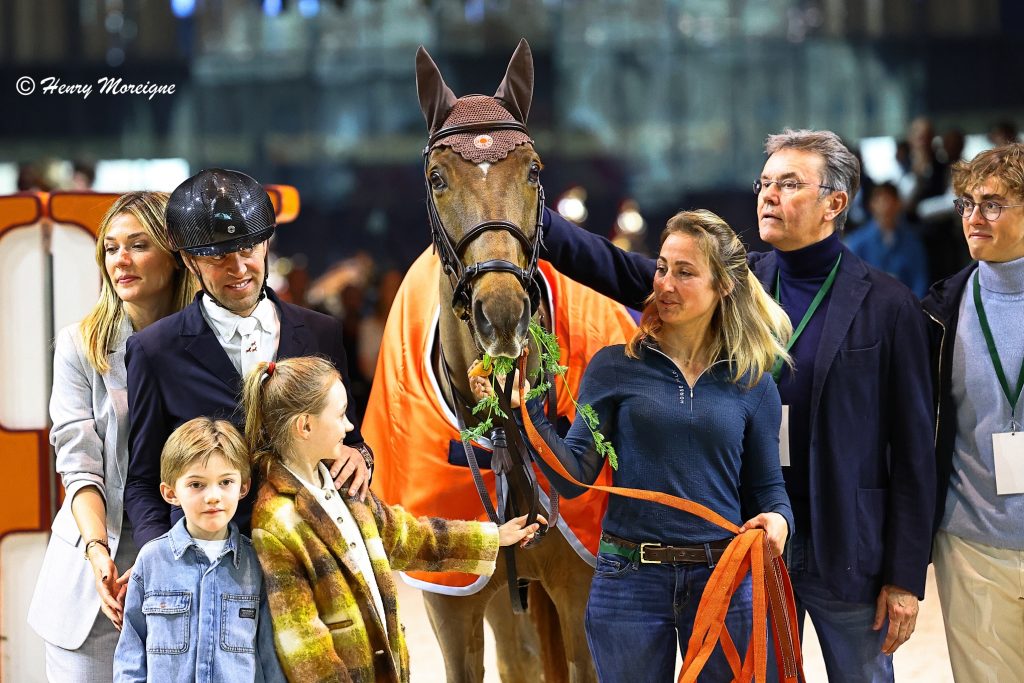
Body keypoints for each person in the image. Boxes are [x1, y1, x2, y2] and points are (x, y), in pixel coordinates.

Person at [536, 129, 935, 682]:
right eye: (764, 182)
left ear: (835, 203)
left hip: (844, 541)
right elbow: (621, 269)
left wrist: (906, 576)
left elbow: (916, 452)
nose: (769, 195)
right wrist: (535, 220)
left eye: (789, 183)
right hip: (741, 540)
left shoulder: (889, 305)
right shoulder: (737, 283)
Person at [473, 210, 795, 681]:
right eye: (662, 268)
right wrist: (530, 414)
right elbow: (575, 477)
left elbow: (769, 486)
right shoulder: (612, 367)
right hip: (628, 583)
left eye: (685, 273)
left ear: (723, 286)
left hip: (723, 582)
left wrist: (780, 520)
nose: (665, 283)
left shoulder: (756, 382)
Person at [241, 356, 540, 681]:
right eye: (340, 415)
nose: (349, 426)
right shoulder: (276, 521)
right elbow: (304, 647)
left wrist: (495, 537)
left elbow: (407, 537)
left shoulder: (343, 484)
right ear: (305, 426)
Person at [124, 168, 373, 549]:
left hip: (310, 557)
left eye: (248, 250)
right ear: (189, 260)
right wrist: (159, 564)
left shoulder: (322, 332)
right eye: (219, 257)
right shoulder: (154, 350)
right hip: (206, 562)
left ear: (266, 245)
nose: (238, 269)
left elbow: (349, 437)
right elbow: (142, 480)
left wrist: (361, 456)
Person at [27, 192, 197, 681]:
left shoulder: (207, 344)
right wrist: (97, 551)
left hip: (186, 582)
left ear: (175, 253)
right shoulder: (81, 347)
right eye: (111, 247)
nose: (121, 259)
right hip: (96, 588)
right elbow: (78, 465)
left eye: (138, 245)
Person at [923, 142, 1024, 680]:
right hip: (972, 546)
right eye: (966, 203)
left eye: (992, 203)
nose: (974, 217)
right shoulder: (941, 311)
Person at [114, 417, 284, 682]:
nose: (213, 496)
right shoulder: (151, 561)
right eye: (196, 485)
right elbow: (130, 656)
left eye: (226, 482)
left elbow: (269, 660)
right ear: (170, 493)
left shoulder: (256, 563)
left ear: (244, 487)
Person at [844, 182, 929, 298]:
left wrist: (912, 309)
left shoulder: (912, 242)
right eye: (880, 200)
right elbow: (850, 284)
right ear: (871, 205)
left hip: (905, 308)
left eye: (889, 200)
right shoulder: (857, 243)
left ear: (899, 204)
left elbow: (920, 281)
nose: (885, 206)